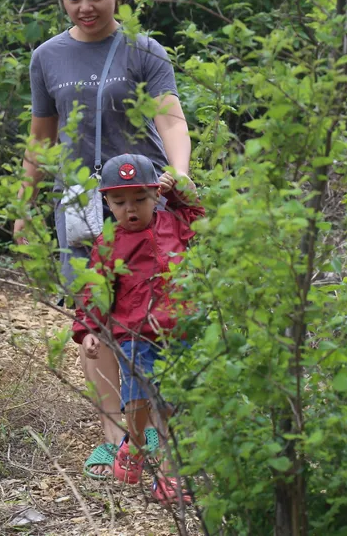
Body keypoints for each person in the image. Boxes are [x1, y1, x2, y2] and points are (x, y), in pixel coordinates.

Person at [12, 0, 193, 478]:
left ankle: (155, 429)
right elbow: (41, 137)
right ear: (61, 0)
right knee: (94, 314)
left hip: (142, 198)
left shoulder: (144, 49)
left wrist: (180, 172)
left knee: (152, 309)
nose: (85, 7)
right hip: (80, 202)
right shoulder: (47, 57)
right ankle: (114, 437)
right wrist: (23, 205)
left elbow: (171, 119)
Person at [72, 153, 204, 504]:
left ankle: (169, 476)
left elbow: (197, 215)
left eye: (140, 199)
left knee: (172, 404)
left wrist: (177, 191)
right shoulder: (108, 243)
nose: (130, 209)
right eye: (119, 202)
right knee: (137, 400)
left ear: (155, 195)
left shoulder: (173, 223)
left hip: (177, 330)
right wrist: (87, 330)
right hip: (134, 335)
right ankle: (133, 444)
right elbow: (94, 289)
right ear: (107, 202)